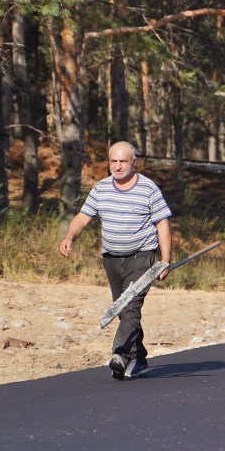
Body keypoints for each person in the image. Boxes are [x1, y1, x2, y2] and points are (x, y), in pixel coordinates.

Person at [59, 141, 172, 381]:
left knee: (129, 306)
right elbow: (82, 217)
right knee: (124, 309)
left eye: (123, 161)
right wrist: (70, 236)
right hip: (111, 258)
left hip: (141, 257)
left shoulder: (148, 189)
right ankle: (139, 357)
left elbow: (162, 223)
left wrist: (165, 259)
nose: (118, 166)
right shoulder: (101, 189)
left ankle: (119, 355)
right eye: (113, 161)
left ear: (133, 162)